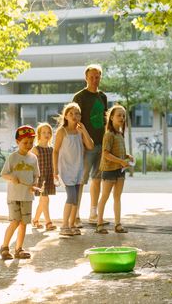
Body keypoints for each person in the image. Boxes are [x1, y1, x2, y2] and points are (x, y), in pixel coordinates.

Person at [72, 64, 108, 226]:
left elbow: (105, 119)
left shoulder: (103, 97)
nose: (95, 79)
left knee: (97, 179)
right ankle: (75, 215)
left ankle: (94, 213)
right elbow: (73, 120)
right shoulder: (80, 97)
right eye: (92, 76)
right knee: (81, 180)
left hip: (101, 143)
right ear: (86, 78)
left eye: (97, 76)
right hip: (85, 145)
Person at [0, 125, 40, 260]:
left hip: (27, 196)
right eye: (25, 142)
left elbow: (36, 175)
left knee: (24, 223)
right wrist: (12, 178)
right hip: (14, 196)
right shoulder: (12, 157)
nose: (28, 145)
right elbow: (3, 174)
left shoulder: (33, 158)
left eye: (30, 142)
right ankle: (4, 247)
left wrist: (34, 185)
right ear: (17, 142)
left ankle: (19, 249)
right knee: (15, 221)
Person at [54, 102, 94, 236]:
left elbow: (90, 146)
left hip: (78, 169)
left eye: (77, 113)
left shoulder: (80, 131)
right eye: (71, 113)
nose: (74, 116)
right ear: (65, 116)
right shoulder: (62, 131)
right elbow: (55, 151)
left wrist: (84, 131)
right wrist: (55, 170)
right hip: (65, 169)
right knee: (71, 196)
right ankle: (64, 225)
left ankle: (72, 225)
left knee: (76, 198)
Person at [95, 104, 134, 234]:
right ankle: (99, 223)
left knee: (117, 197)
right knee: (105, 196)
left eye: (123, 115)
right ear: (111, 117)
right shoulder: (109, 135)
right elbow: (105, 153)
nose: (122, 118)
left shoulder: (120, 134)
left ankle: (118, 224)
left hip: (120, 171)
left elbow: (118, 152)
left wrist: (127, 156)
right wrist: (121, 161)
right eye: (119, 115)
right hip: (109, 170)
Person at [32, 123, 56, 231]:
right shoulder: (35, 149)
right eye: (44, 132)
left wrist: (56, 173)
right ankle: (48, 222)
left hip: (49, 176)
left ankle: (35, 220)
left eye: (49, 132)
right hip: (40, 178)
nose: (47, 134)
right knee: (45, 198)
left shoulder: (52, 149)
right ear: (39, 135)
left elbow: (54, 163)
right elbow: (29, 164)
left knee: (44, 200)